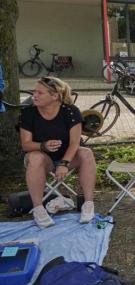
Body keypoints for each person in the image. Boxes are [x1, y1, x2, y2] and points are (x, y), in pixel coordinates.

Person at [20, 77, 96, 227]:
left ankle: (88, 204)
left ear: (55, 96)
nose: (34, 95)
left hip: (68, 156)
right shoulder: (28, 113)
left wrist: (64, 163)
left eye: (40, 93)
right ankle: (38, 209)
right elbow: (26, 145)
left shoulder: (70, 111)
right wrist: (43, 146)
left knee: (86, 153)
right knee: (35, 157)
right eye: (34, 92)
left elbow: (75, 143)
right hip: (43, 159)